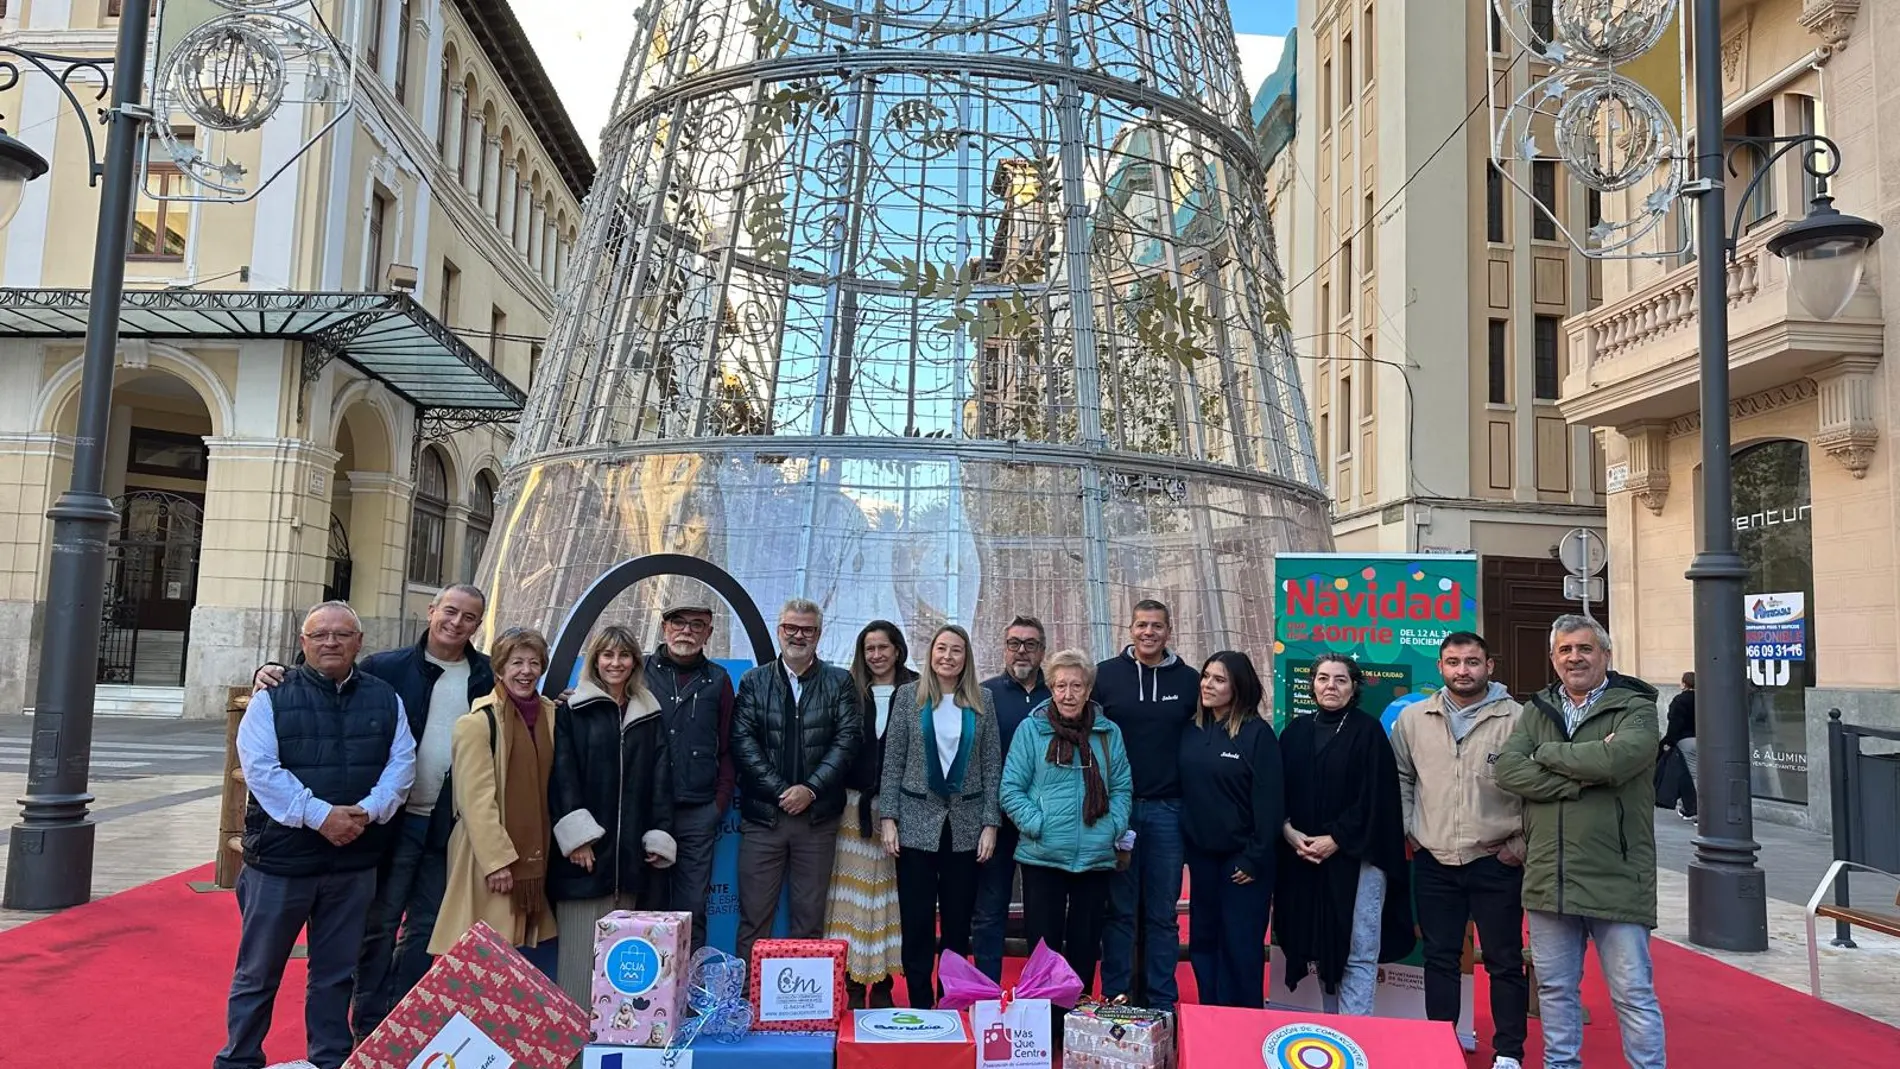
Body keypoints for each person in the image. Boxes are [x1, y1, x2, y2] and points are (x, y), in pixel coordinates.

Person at [252, 584, 493, 1042]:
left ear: (478, 624)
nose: (456, 622)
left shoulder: (485, 674)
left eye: (468, 617)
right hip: (390, 823)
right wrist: (271, 670)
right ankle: (367, 1025)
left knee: (427, 928)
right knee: (378, 926)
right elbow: (328, 680)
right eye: (450, 611)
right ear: (432, 611)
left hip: (449, 825)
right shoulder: (386, 667)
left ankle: (401, 1025)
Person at [215, 601, 416, 1069]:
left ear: (359, 643)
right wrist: (322, 816)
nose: (331, 642)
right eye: (320, 634)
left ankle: (329, 1059)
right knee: (258, 971)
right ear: (303, 643)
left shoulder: (385, 697)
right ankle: (239, 1059)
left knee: (336, 974)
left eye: (342, 634)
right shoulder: (272, 697)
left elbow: (400, 764)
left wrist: (365, 813)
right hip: (282, 863)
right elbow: (262, 770)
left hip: (353, 860)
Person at [1495, 615, 1665, 1069]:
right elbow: (1508, 769)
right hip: (1550, 873)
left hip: (1617, 874)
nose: (1575, 657)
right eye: (1565, 650)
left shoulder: (1636, 706)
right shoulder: (1538, 708)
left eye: (1585, 649)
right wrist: (1577, 780)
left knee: (1632, 993)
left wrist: (1547, 755)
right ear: (1553, 659)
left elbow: (1617, 760)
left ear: (1605, 655)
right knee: (1554, 990)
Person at [1391, 632, 1529, 1069]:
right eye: (1453, 662)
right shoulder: (1415, 718)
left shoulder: (1520, 720)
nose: (1462, 670)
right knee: (1439, 957)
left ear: (1489, 666)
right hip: (1435, 861)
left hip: (1496, 860)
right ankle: (1441, 1043)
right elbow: (1401, 777)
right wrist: (1412, 829)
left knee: (1505, 960)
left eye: (1472, 662)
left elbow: (1540, 790)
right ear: (1440, 667)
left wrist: (1519, 846)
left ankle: (1508, 1051)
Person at [999, 649, 1132, 1041]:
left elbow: (1122, 788)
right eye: (1060, 685)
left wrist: (1110, 829)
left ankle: (1075, 1028)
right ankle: (1042, 1030)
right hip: (1043, 856)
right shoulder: (1031, 730)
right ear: (1051, 688)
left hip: (1095, 856)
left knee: (1085, 946)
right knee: (1043, 946)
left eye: (1076, 685)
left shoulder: (1108, 733)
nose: (1068, 693)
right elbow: (1011, 789)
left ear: (1089, 688)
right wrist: (1037, 825)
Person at [1275, 652, 1413, 1016]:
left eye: (1340, 679)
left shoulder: (1368, 733)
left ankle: (1356, 1034)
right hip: (1303, 857)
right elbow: (1276, 793)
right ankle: (1331, 1035)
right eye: (1323, 678)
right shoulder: (1294, 732)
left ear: (1354, 688)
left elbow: (1378, 801)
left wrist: (1335, 839)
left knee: (1357, 950)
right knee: (1321, 946)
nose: (1330, 686)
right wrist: (1288, 831)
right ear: (1312, 685)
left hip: (1357, 858)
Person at [547, 626, 678, 1004]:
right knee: (577, 965)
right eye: (607, 655)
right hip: (584, 860)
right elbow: (562, 776)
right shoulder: (573, 710)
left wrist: (658, 835)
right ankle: (573, 1058)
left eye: (623, 656)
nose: (615, 663)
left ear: (635, 662)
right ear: (595, 661)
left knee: (622, 970)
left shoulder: (649, 714)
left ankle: (614, 1050)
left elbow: (660, 781)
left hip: (631, 859)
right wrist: (579, 838)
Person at [879, 624, 1003, 1010]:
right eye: (941, 649)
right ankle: (918, 1002)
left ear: (966, 659)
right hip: (916, 824)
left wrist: (990, 824)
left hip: (965, 828)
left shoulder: (982, 700)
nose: (948, 656)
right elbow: (893, 760)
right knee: (916, 922)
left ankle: (951, 1000)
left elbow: (990, 765)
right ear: (930, 655)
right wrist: (888, 817)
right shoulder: (907, 698)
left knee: (956, 923)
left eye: (956, 651)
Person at [730, 598, 861, 964]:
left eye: (807, 629)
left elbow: (848, 740)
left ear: (819, 634)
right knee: (754, 918)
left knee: (808, 919)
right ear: (779, 630)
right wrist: (781, 791)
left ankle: (805, 1006)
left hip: (817, 819)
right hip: (764, 818)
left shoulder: (839, 681)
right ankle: (746, 999)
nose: (798, 635)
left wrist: (811, 789)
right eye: (791, 628)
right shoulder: (754, 682)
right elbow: (742, 741)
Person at [430, 628, 560, 961]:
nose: (526, 671)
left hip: (534, 851)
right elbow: (475, 802)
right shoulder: (476, 724)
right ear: (499, 669)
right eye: (516, 662)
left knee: (517, 956)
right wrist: (497, 861)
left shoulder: (551, 715)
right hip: (486, 855)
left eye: (533, 662)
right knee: (482, 951)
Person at [1094, 599, 1198, 1012]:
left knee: (1162, 915)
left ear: (1169, 630)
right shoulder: (1105, 676)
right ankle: (1117, 996)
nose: (1148, 632)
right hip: (1118, 810)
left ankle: (1161, 1003)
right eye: (1141, 625)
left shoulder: (1190, 681)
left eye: (1156, 625)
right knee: (1118, 911)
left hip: (1168, 811)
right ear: (1130, 629)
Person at [1179, 651, 1283, 1009]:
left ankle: (1243, 1023)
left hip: (1244, 862)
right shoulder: (1192, 731)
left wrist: (1254, 857)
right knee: (1204, 943)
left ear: (1238, 687)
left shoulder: (1257, 735)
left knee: (1240, 946)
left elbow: (1270, 803)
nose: (1208, 684)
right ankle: (1210, 1016)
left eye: (1219, 679)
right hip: (1203, 860)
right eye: (1206, 677)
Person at [826, 621, 917, 1007]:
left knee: (889, 899)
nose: (876, 655)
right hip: (851, 809)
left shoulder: (917, 689)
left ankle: (881, 983)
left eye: (883, 647)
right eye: (869, 649)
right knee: (848, 900)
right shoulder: (848, 689)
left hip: (900, 809)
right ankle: (848, 979)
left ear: (898, 649)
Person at [645, 601, 737, 947]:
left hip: (698, 812)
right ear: (664, 627)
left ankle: (691, 998)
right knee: (647, 909)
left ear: (709, 633)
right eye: (679, 623)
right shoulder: (640, 671)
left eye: (697, 625)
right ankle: (649, 996)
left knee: (692, 910)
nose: (687, 630)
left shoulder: (718, 679)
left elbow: (728, 746)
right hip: (648, 812)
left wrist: (718, 803)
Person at [974, 615, 1051, 981]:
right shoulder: (983, 695)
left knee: (1043, 914)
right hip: (997, 821)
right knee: (990, 910)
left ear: (1042, 651)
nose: (1022, 651)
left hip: (1044, 824)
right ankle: (987, 991)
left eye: (1031, 644)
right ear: (1004, 649)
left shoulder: (1057, 697)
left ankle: (1040, 995)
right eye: (1014, 643)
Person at [1663, 671, 1697, 821]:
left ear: (1684, 683)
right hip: (1708, 741)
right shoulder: (1707, 697)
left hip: (1686, 741)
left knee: (1692, 776)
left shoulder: (1680, 700)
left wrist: (1668, 742)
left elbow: (1675, 724)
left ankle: (1699, 810)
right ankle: (1688, 808)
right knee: (1706, 775)